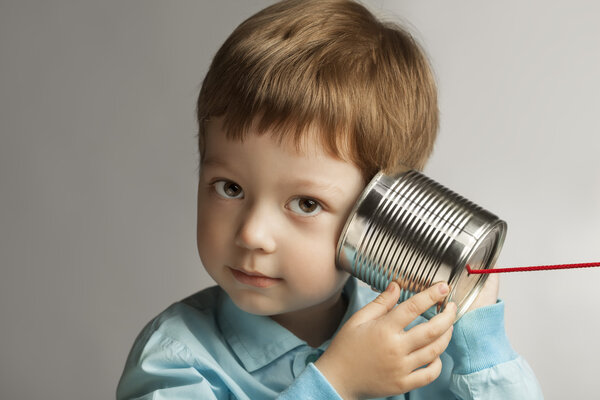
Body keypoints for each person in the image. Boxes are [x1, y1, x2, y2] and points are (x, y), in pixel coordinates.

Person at [117, 0, 543, 398]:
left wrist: (482, 342)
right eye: (231, 188)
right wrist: (336, 384)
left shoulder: (421, 341)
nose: (253, 234)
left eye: (305, 203)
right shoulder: (177, 357)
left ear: (388, 211)